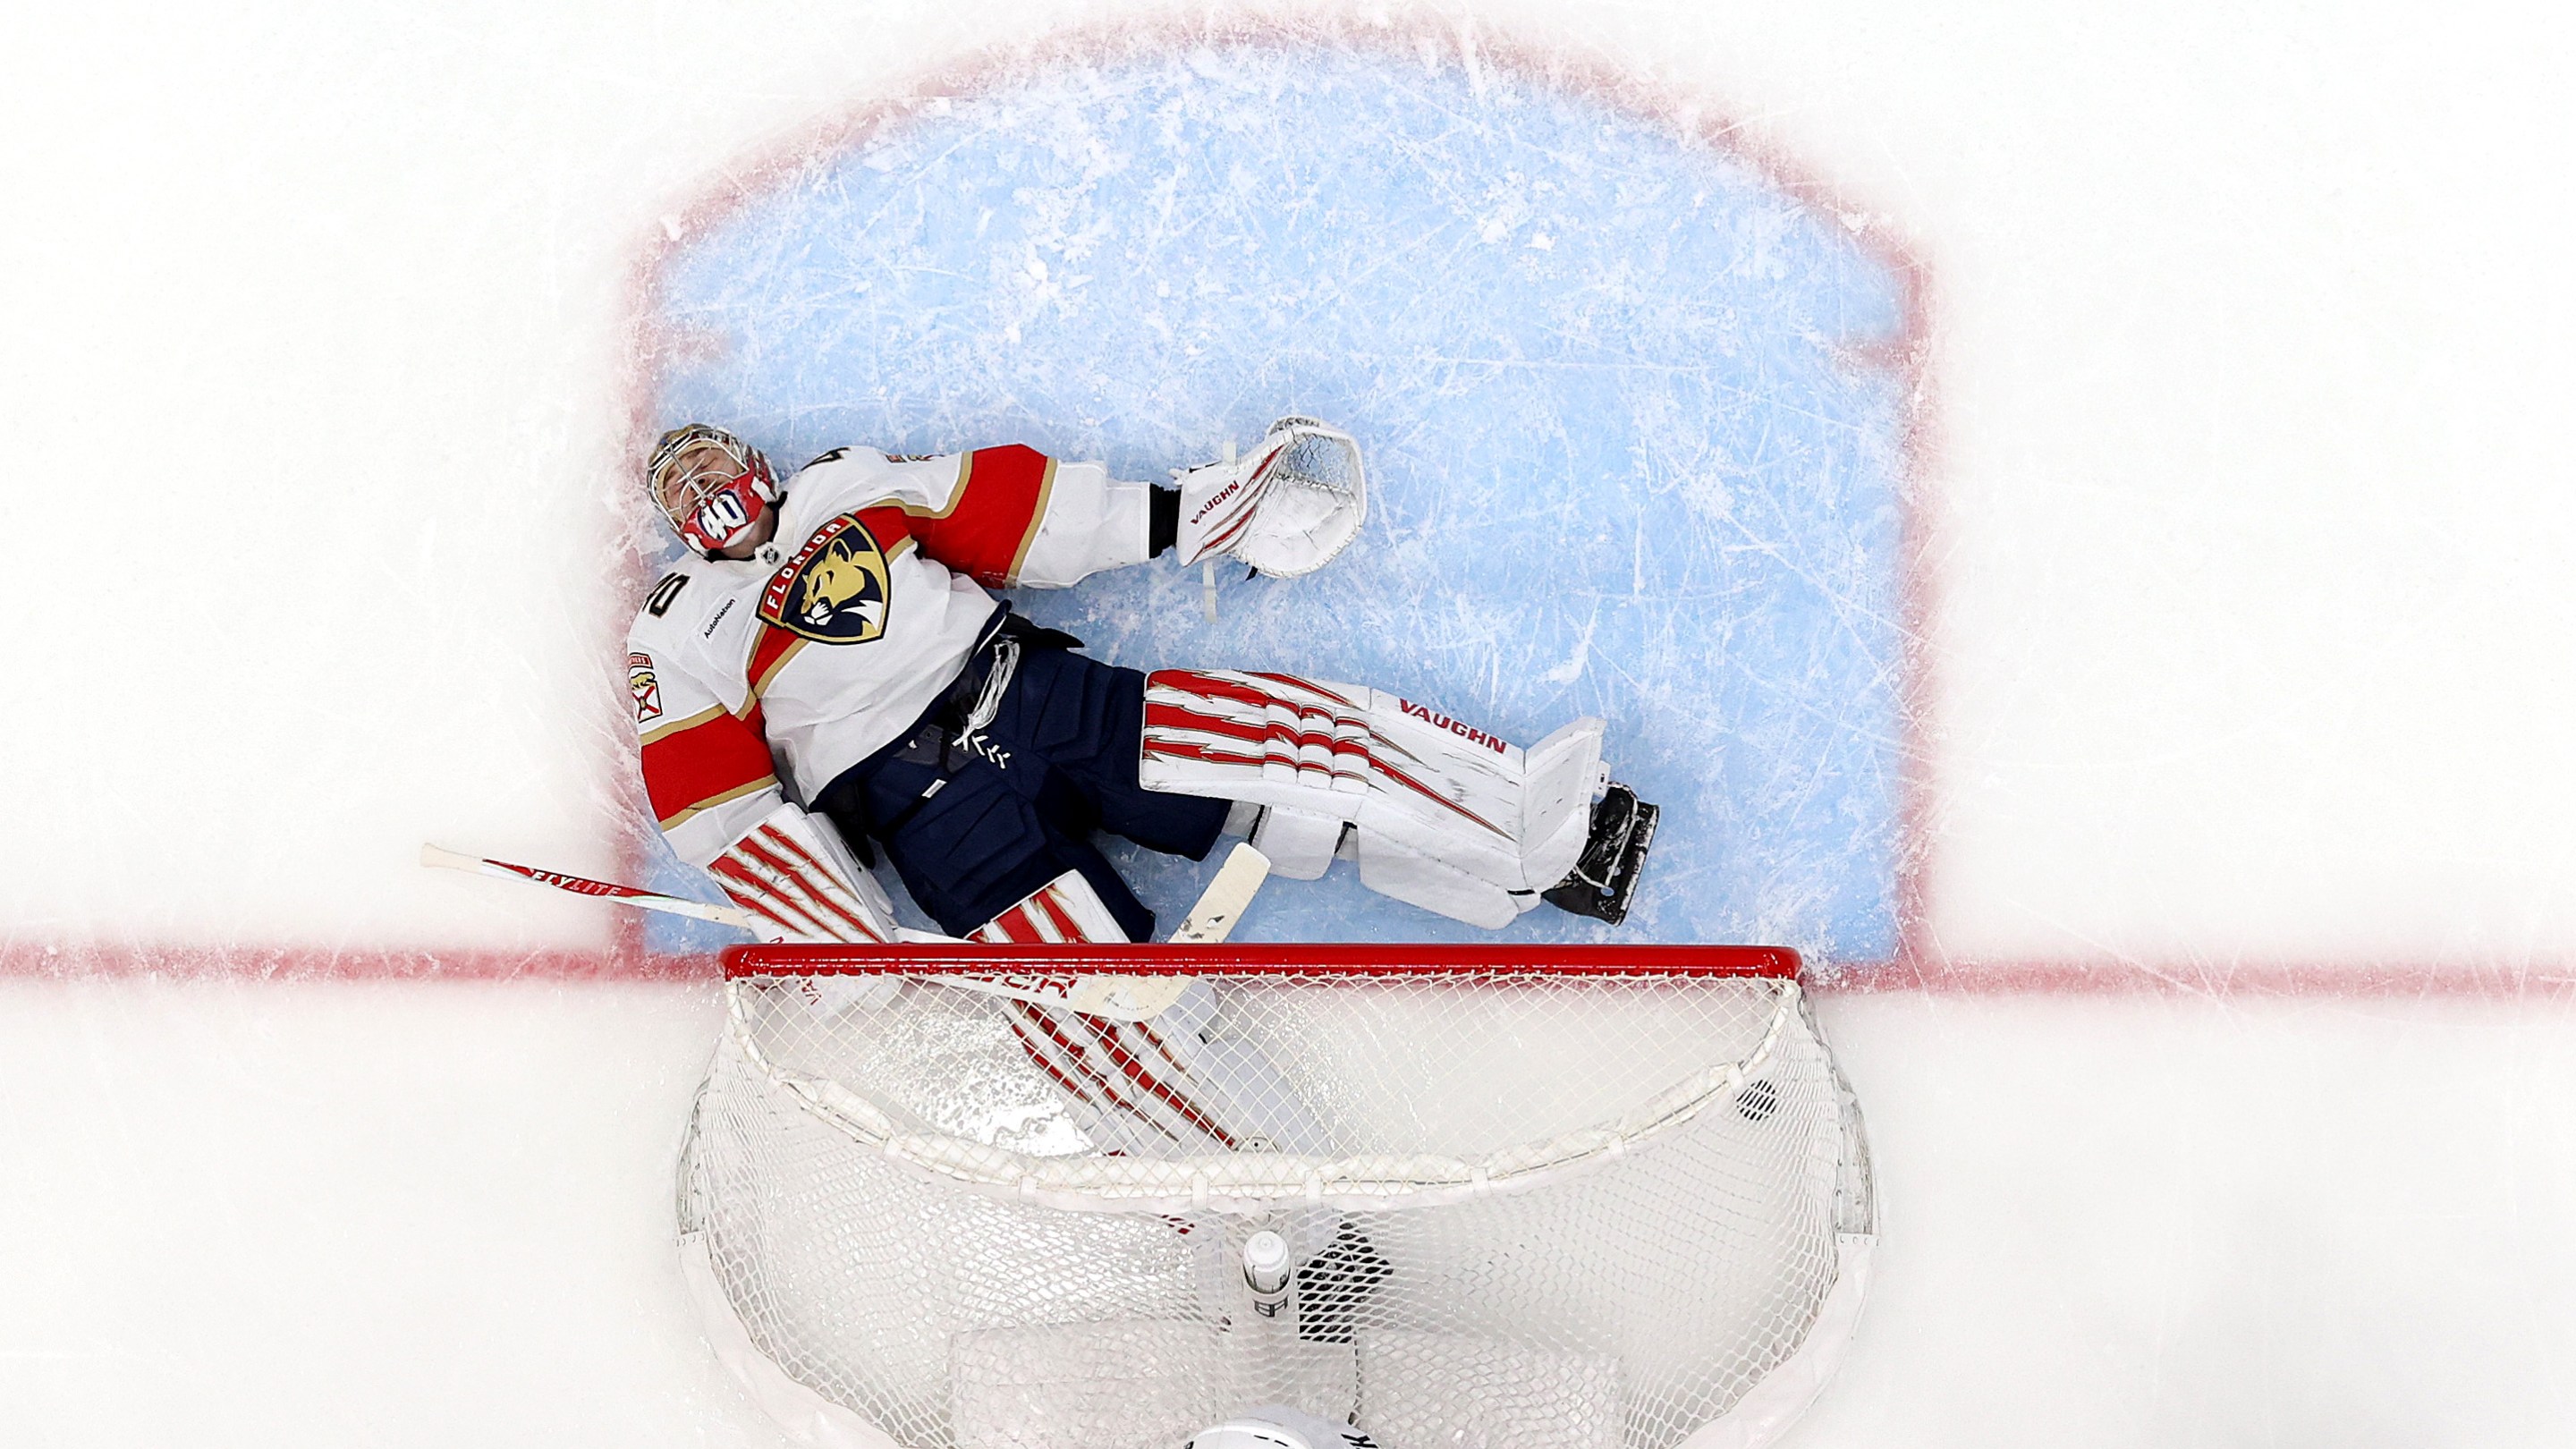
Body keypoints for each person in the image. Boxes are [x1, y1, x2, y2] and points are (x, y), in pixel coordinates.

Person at [623, 418, 1657, 945]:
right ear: (677, 527)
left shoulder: (845, 486)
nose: (704, 486)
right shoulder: (676, 629)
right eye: (682, 488)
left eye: (709, 462)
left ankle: (1537, 834)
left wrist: (1179, 516)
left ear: (753, 458)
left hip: (1035, 692)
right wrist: (831, 921)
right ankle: (1240, 1211)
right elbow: (714, 804)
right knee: (1087, 1009)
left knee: (1285, 744)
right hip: (927, 810)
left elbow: (1010, 512)